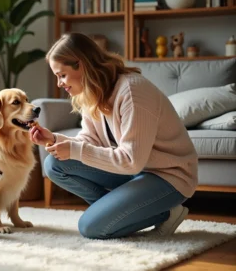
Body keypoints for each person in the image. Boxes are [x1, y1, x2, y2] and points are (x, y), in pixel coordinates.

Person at [29, 32, 198, 239]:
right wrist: (55, 139)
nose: (59, 83)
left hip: (168, 176)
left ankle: (164, 212)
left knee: (91, 227)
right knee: (54, 165)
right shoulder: (92, 94)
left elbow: (130, 161)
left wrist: (73, 150)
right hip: (137, 171)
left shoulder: (132, 92)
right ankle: (121, 210)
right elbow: (89, 141)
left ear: (80, 65)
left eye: (61, 75)